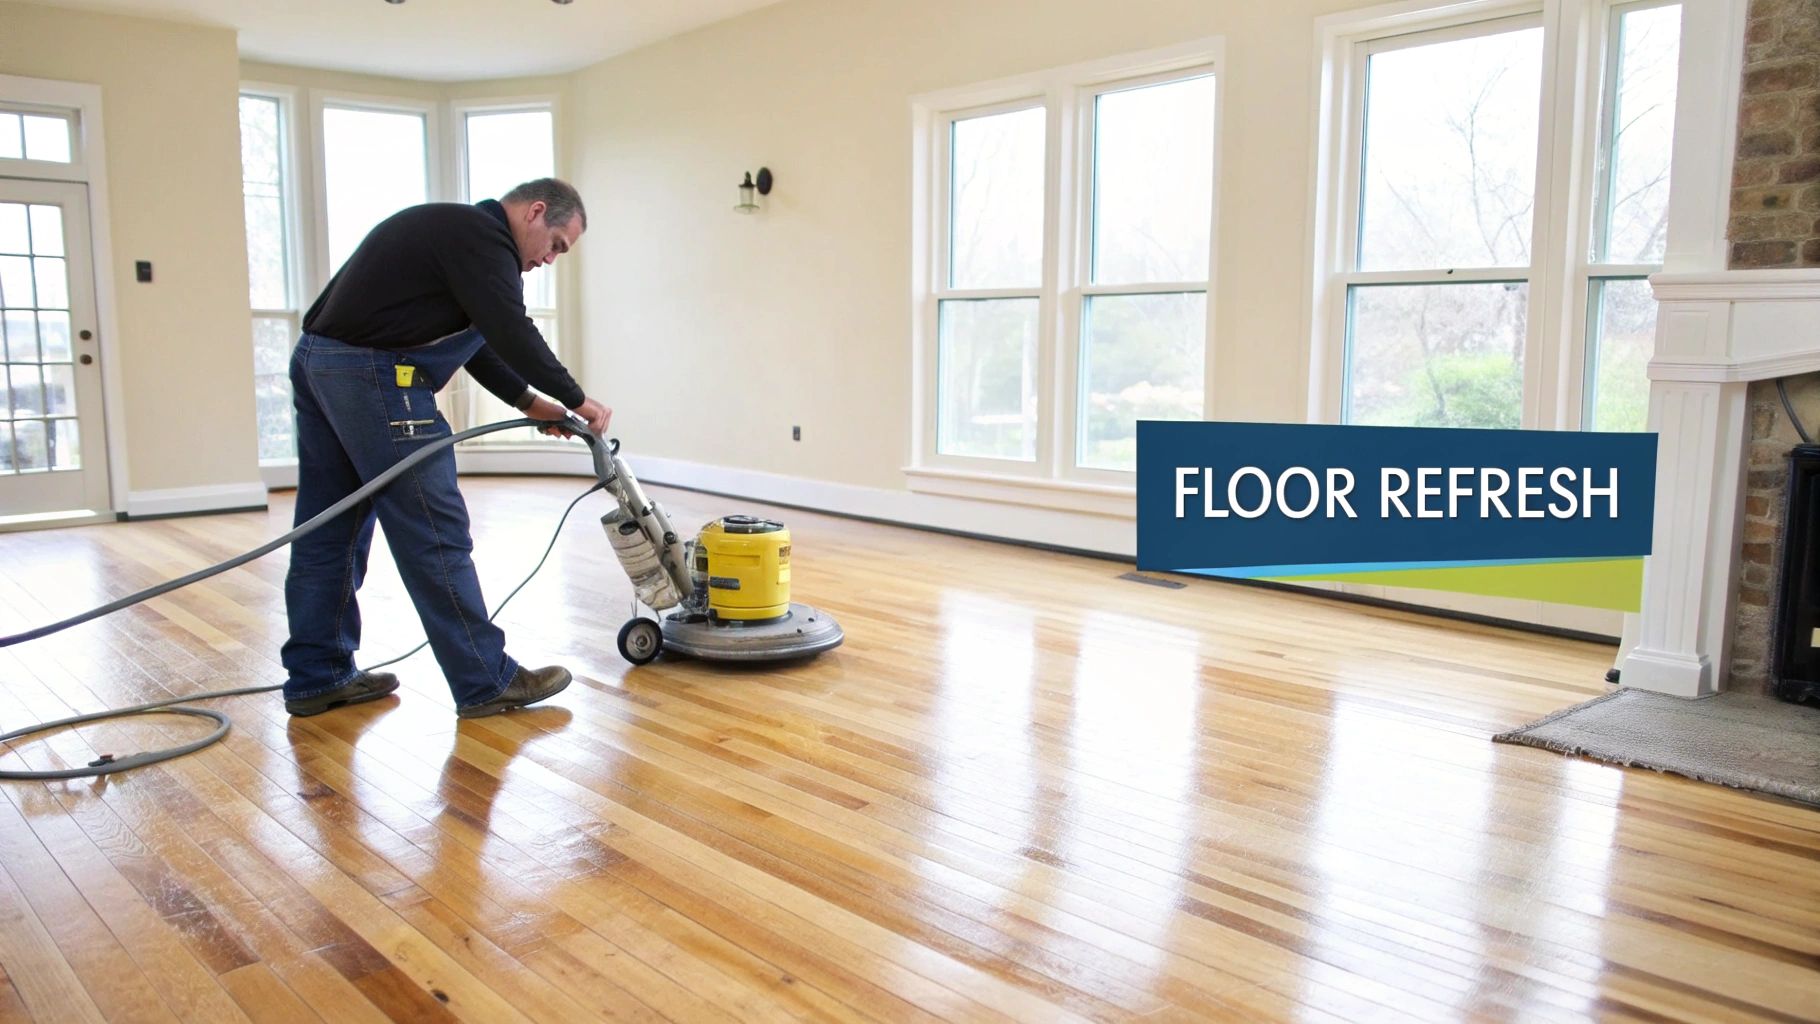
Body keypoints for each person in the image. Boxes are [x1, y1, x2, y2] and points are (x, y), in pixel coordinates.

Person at [280, 178, 611, 719]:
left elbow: (478, 342)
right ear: (536, 211)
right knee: (434, 529)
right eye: (556, 244)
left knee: (328, 528)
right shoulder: (483, 241)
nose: (550, 259)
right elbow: (508, 328)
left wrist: (532, 403)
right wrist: (577, 397)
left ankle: (317, 676)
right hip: (372, 374)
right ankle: (485, 680)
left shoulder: (457, 234)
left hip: (322, 362)